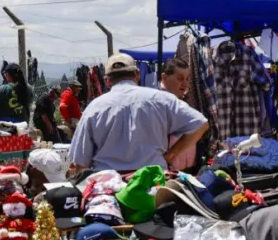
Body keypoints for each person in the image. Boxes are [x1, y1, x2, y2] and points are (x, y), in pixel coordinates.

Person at [69, 53, 208, 174]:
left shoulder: (93, 108)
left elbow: (80, 163)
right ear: (137, 74)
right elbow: (200, 124)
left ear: (106, 81)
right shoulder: (162, 100)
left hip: (109, 186)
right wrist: (171, 155)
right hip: (152, 185)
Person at [158, 57, 198, 172]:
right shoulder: (158, 104)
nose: (185, 84)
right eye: (180, 78)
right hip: (168, 171)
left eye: (187, 79)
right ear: (164, 77)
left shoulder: (184, 100)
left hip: (189, 169)